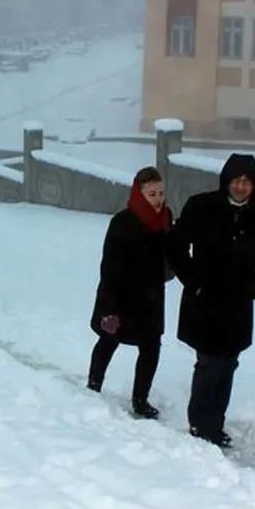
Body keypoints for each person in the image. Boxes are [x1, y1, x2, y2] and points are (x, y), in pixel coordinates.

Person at [168, 153, 255, 448]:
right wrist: (193, 279)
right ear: (226, 181)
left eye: (247, 182)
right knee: (209, 361)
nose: (241, 186)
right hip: (205, 297)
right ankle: (200, 424)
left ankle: (216, 423)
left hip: (238, 300)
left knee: (229, 362)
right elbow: (175, 245)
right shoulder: (201, 206)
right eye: (236, 180)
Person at [87, 166, 174, 420]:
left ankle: (140, 400)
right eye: (151, 193)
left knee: (151, 346)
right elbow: (109, 266)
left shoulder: (166, 217)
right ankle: (93, 386)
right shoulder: (123, 222)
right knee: (109, 339)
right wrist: (109, 307)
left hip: (151, 296)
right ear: (139, 193)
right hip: (121, 294)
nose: (158, 198)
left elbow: (173, 251)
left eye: (160, 192)